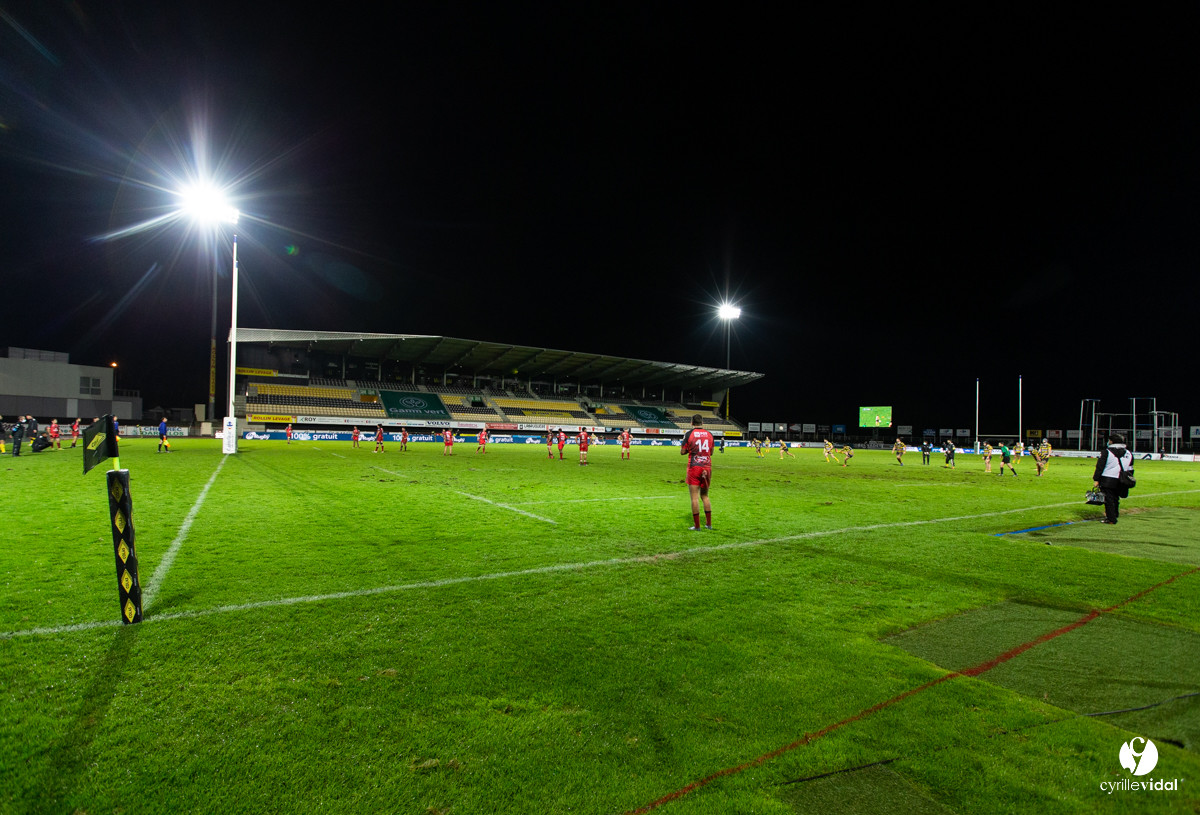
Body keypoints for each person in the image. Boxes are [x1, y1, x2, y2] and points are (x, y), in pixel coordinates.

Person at [681, 414, 715, 530]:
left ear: (691, 423)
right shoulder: (710, 435)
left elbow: (682, 451)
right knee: (705, 496)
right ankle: (709, 524)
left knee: (694, 498)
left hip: (694, 467)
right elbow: (711, 452)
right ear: (702, 422)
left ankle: (697, 526)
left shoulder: (689, 434)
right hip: (707, 466)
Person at [1093, 433, 1134, 524]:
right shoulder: (1129, 453)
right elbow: (1130, 468)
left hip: (1108, 479)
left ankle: (1111, 518)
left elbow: (1100, 466)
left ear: (1111, 441)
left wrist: (1096, 479)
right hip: (1121, 479)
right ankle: (1115, 514)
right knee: (1116, 498)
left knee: (1109, 499)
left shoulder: (1106, 452)